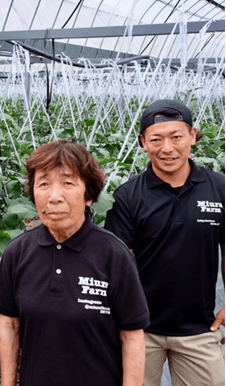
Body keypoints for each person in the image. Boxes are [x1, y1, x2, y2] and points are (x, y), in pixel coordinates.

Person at [0, 140, 150, 386]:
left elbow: (131, 338)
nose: (54, 197)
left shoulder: (114, 255)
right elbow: (9, 325)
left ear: (89, 195)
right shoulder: (17, 252)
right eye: (43, 184)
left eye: (68, 183)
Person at [104, 99, 225, 386]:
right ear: (143, 142)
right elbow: (117, 264)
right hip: (139, 330)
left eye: (176, 137)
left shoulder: (218, 188)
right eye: (156, 139)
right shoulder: (127, 196)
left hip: (199, 328)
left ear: (192, 136)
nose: (167, 148)